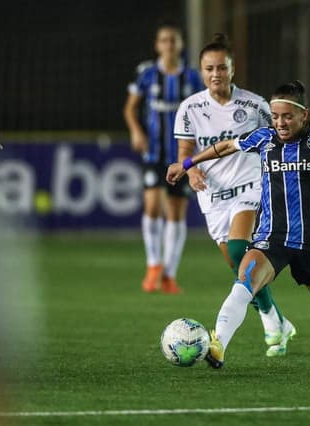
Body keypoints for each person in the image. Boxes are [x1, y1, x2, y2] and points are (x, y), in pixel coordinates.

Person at [167, 80, 310, 369]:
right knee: (244, 283)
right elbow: (224, 147)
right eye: (275, 116)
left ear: (303, 115)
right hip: (271, 238)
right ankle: (218, 343)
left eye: (287, 116)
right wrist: (186, 165)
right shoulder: (263, 138)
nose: (280, 123)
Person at [173, 34, 296, 358]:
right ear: (201, 71)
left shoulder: (255, 105)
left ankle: (271, 327)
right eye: (209, 68)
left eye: (221, 67)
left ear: (232, 69)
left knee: (242, 247)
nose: (216, 74)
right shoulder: (190, 108)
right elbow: (185, 149)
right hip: (213, 195)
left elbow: (282, 135)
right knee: (238, 265)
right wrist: (192, 170)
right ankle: (277, 321)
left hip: (251, 184)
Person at [123, 21, 204, 294]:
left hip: (181, 155)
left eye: (173, 40)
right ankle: (153, 265)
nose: (169, 44)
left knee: (176, 214)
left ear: (180, 45)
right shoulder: (146, 74)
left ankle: (169, 274)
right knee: (152, 207)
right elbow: (130, 109)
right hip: (154, 152)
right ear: (157, 45)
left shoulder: (192, 77)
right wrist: (136, 132)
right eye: (164, 40)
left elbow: (201, 113)